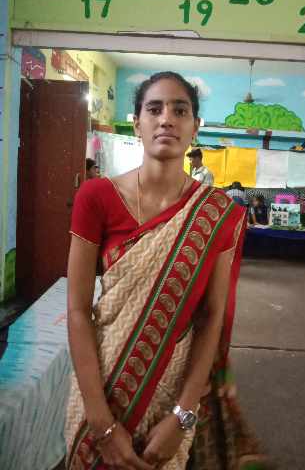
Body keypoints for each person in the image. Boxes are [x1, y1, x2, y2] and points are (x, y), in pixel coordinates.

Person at [66, 72, 268, 470]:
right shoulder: (96, 197)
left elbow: (211, 317)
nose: (166, 119)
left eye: (180, 110)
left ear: (195, 127)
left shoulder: (218, 215)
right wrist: (100, 421)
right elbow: (77, 310)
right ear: (137, 123)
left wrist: (183, 415)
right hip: (100, 390)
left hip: (169, 402)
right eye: (154, 109)